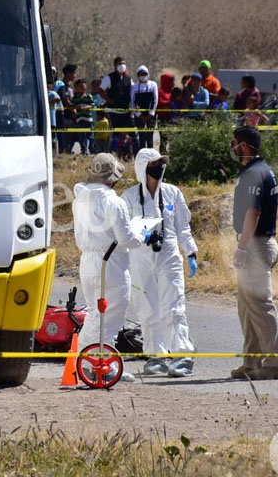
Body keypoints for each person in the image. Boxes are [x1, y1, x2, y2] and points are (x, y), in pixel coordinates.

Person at [73, 153, 153, 383]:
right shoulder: (113, 201)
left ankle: (85, 361)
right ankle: (102, 365)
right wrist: (143, 234)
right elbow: (126, 238)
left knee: (94, 313)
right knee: (112, 315)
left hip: (87, 261)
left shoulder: (80, 198)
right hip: (110, 262)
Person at [122, 149, 199, 377]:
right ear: (142, 168)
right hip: (140, 258)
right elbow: (123, 229)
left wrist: (191, 252)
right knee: (147, 309)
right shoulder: (129, 197)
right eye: (154, 164)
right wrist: (139, 236)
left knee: (173, 305)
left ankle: (181, 354)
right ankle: (156, 355)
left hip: (169, 255)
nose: (159, 168)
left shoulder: (173, 193)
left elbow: (183, 227)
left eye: (161, 163)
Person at [230, 126, 278, 381]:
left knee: (261, 307)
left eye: (235, 143)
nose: (232, 148)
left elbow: (253, 213)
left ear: (244, 146)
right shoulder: (261, 170)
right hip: (257, 243)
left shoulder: (254, 174)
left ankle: (275, 364)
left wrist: (242, 248)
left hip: (254, 245)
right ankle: (252, 363)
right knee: (247, 307)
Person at [98, 57, 134, 150]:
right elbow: (101, 90)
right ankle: (112, 153)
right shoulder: (108, 78)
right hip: (113, 112)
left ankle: (125, 154)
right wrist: (109, 100)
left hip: (126, 112)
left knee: (126, 135)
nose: (122, 65)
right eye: (120, 63)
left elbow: (133, 92)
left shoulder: (128, 78)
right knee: (115, 135)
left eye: (124, 63)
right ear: (115, 66)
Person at [131, 65, 159, 150]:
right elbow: (132, 101)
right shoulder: (134, 87)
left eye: (144, 74)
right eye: (141, 74)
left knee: (150, 137)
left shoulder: (153, 84)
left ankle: (151, 157)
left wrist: (151, 114)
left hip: (151, 115)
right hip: (139, 116)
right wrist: (139, 115)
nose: (143, 76)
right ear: (138, 75)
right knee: (141, 137)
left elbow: (155, 100)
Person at [72, 79, 96, 155]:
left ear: (86, 87)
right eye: (80, 86)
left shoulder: (89, 96)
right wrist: (76, 109)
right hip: (79, 119)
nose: (81, 88)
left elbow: (92, 105)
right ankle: (84, 150)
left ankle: (92, 150)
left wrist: (85, 107)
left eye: (83, 86)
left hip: (88, 119)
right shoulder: (76, 97)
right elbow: (72, 105)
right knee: (82, 136)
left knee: (90, 136)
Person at [59, 64, 78, 154]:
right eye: (73, 73)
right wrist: (73, 110)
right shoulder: (62, 86)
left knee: (73, 137)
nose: (75, 75)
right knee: (67, 137)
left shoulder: (70, 87)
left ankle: (68, 151)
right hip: (65, 116)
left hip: (71, 117)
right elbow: (65, 100)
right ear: (68, 74)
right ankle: (65, 153)